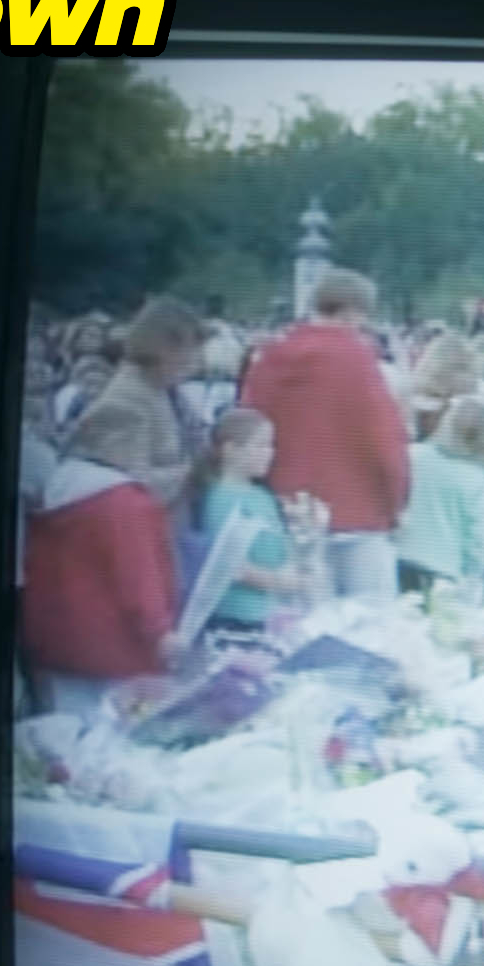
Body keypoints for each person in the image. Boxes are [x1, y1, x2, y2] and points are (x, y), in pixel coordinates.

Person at [241, 267, 412, 601]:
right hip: (360, 510)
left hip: (289, 509)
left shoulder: (269, 356)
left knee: (297, 629)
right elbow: (385, 441)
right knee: (367, 631)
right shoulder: (357, 358)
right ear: (354, 311)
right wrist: (397, 504)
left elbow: (247, 423)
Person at [20, 453, 181, 701]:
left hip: (55, 649)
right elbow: (139, 578)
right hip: (116, 656)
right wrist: (161, 633)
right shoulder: (123, 502)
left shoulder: (52, 497)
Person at [64, 294, 206, 512]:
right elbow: (131, 488)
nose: (195, 361)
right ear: (161, 347)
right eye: (190, 350)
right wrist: (191, 471)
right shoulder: (123, 403)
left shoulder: (163, 388)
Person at [188, 405, 305, 638]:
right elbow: (231, 565)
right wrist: (280, 581)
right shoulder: (221, 498)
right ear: (230, 450)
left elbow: (281, 546)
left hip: (271, 615)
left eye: (271, 445)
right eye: (261, 445)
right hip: (236, 618)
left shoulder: (263, 496)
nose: (269, 453)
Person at [394, 394, 484, 600]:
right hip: (444, 574)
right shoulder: (479, 481)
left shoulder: (411, 455)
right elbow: (477, 541)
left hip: (399, 559)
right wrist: (474, 582)